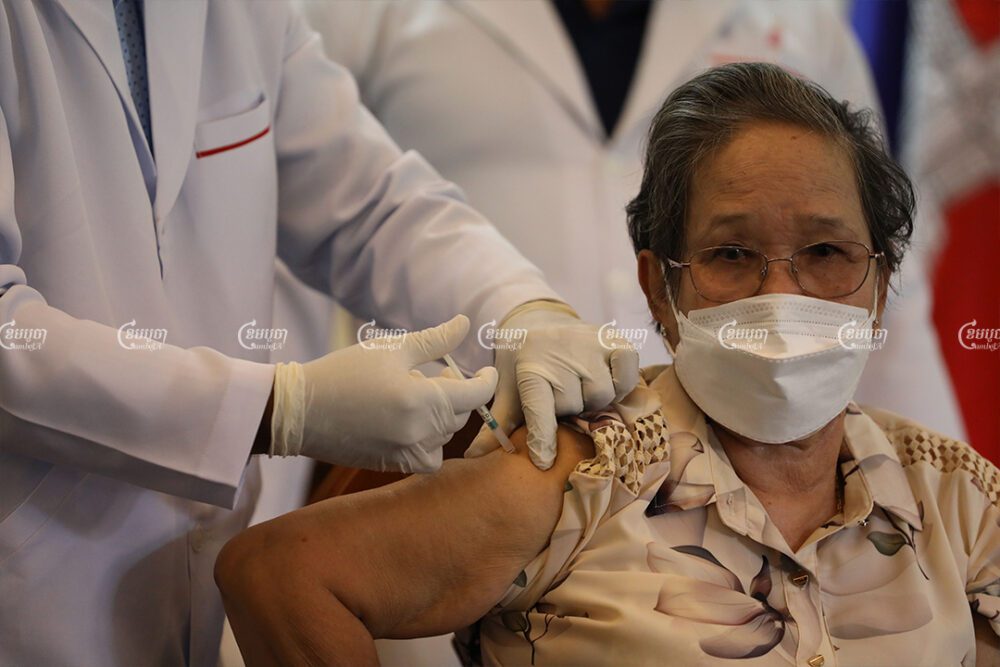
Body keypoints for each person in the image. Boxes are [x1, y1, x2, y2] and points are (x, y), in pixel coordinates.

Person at [215, 63, 1000, 667]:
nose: (780, 293)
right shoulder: (581, 474)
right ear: (659, 288)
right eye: (731, 253)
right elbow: (280, 575)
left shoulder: (960, 502)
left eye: (825, 252)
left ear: (881, 284)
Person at [0, 2, 639, 665]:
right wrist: (278, 407)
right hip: (29, 585)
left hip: (186, 573)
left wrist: (518, 307)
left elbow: (367, 202)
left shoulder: (240, 13)